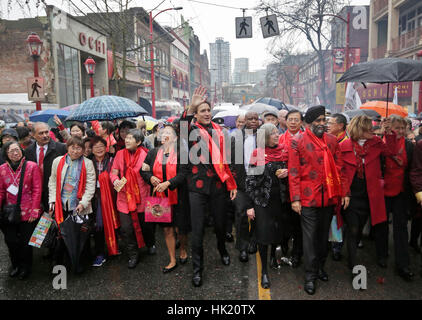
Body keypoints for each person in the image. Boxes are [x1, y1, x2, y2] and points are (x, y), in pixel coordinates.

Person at [180, 86, 237, 287]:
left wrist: (231, 183)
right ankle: (197, 269)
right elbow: (181, 125)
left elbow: (228, 160)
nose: (206, 113)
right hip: (197, 187)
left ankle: (222, 249)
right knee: (197, 229)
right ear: (196, 114)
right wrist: (190, 106)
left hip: (218, 186)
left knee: (221, 225)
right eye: (201, 110)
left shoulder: (221, 132)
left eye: (207, 110)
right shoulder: (191, 130)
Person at [289, 105, 343, 295]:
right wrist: (295, 198)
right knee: (310, 238)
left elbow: (339, 168)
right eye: (317, 121)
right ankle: (310, 275)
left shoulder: (332, 140)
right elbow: (294, 172)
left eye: (324, 120)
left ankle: (320, 267)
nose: (322, 124)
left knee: (323, 237)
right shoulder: (298, 141)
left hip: (328, 197)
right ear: (308, 123)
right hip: (307, 198)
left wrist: (342, 193)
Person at [340, 116, 398, 281]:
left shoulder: (377, 144)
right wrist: (345, 193)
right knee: (353, 228)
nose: (372, 131)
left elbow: (392, 152)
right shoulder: (344, 145)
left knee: (359, 229)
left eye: (372, 129)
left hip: (370, 195)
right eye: (368, 129)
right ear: (359, 129)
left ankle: (352, 252)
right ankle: (352, 264)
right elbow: (341, 172)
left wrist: (388, 132)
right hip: (351, 195)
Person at [141, 124, 190, 273]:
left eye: (168, 132)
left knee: (181, 229)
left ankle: (183, 249)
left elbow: (184, 173)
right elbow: (143, 170)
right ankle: (172, 259)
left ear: (175, 138)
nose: (164, 134)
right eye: (162, 133)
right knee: (167, 230)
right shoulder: (153, 153)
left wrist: (168, 183)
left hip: (179, 196)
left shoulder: (181, 153)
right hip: (159, 197)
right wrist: (151, 178)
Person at [246, 123, 289, 289]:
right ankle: (264, 270)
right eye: (273, 134)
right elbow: (250, 181)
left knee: (278, 232)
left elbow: (294, 172)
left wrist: (287, 172)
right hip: (262, 202)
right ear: (265, 137)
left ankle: (273, 257)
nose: (277, 136)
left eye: (278, 133)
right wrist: (249, 205)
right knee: (263, 236)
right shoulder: (258, 153)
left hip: (281, 201)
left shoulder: (284, 151)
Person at [48, 137, 96, 274]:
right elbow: (52, 182)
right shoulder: (58, 161)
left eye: (79, 148)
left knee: (80, 237)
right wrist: (52, 201)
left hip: (79, 206)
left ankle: (78, 263)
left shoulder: (87, 163)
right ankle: (60, 263)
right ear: (67, 147)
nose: (75, 151)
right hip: (60, 205)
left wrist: (83, 203)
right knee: (61, 236)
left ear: (83, 149)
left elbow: (90, 185)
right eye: (72, 147)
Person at [0, 141, 42, 280]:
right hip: (9, 212)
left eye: (17, 150)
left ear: (21, 151)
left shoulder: (31, 166)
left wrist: (35, 209)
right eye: (11, 151)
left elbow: (37, 189)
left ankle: (26, 267)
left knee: (26, 242)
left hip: (28, 210)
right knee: (11, 241)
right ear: (6, 153)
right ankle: (16, 265)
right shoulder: (2, 169)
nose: (15, 153)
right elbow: (0, 191)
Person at [110, 129, 151, 269]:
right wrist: (115, 180)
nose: (126, 140)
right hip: (124, 197)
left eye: (131, 138)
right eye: (126, 137)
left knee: (145, 225)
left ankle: (150, 243)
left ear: (138, 142)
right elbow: (114, 171)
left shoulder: (146, 155)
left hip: (142, 197)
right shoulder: (120, 154)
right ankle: (133, 254)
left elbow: (150, 174)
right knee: (127, 228)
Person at [383, 115, 415, 281]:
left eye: (403, 128)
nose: (401, 131)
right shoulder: (381, 143)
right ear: (390, 128)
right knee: (381, 226)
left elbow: (412, 169)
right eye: (397, 128)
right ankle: (381, 256)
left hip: (402, 192)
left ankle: (403, 264)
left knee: (401, 229)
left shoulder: (410, 146)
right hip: (383, 191)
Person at [229, 111, 260, 263]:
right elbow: (229, 161)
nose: (253, 121)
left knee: (257, 214)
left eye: (256, 119)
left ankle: (254, 240)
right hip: (240, 183)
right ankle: (242, 247)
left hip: (258, 182)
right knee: (241, 214)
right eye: (250, 119)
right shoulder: (236, 137)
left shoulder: (263, 137)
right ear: (244, 121)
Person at [278, 109, 303, 267]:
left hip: (301, 188)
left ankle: (297, 254)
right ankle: (284, 242)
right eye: (290, 119)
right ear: (285, 121)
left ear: (301, 122)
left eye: (296, 119)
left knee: (299, 223)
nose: (293, 122)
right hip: (283, 188)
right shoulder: (279, 139)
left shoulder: (306, 139)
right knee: (283, 220)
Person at [24, 122, 67, 214]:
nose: (45, 135)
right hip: (35, 193)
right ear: (33, 135)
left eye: (46, 132)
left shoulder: (61, 148)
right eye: (41, 133)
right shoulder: (28, 151)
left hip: (55, 192)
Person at [90, 136, 120, 267]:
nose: (99, 149)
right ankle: (100, 253)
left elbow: (118, 177)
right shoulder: (88, 162)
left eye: (101, 146)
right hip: (94, 198)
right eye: (95, 147)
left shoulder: (113, 160)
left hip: (112, 197)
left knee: (113, 222)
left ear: (106, 147)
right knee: (98, 226)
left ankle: (113, 247)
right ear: (91, 149)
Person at [326, 113, 349, 262]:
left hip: (341, 185)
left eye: (330, 123)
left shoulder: (345, 142)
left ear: (340, 125)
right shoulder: (330, 140)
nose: (327, 125)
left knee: (338, 217)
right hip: (330, 184)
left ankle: (336, 247)